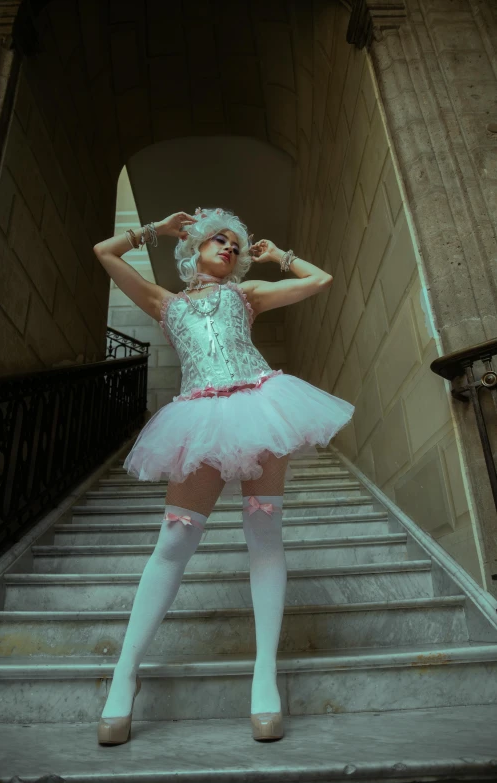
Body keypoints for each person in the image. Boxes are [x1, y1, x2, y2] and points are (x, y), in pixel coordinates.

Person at [92, 207, 354, 745]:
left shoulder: (247, 294)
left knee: (264, 536)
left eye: (236, 243)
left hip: (260, 406)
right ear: (194, 249)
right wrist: (153, 231)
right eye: (219, 239)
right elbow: (103, 253)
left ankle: (264, 676)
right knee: (175, 539)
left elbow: (321, 280)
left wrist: (278, 256)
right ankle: (125, 673)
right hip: (199, 417)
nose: (230, 248)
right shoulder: (165, 303)